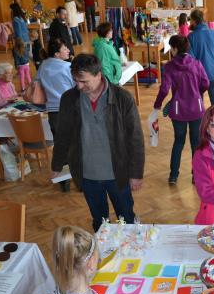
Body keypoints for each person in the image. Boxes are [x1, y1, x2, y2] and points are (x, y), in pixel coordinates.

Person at [51, 54, 145, 232]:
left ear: (98, 75)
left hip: (119, 173)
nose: (79, 86)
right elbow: (63, 135)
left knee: (127, 219)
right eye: (76, 80)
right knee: (100, 223)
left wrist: (136, 173)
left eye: (83, 81)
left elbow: (136, 139)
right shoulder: (69, 99)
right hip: (87, 174)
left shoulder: (122, 98)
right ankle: (102, 257)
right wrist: (56, 164)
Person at [152, 35, 209, 184]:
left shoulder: (170, 66)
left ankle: (173, 176)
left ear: (175, 48)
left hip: (178, 110)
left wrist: (157, 104)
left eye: (171, 48)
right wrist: (197, 94)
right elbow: (206, 83)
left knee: (178, 142)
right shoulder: (197, 64)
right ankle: (196, 175)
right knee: (196, 143)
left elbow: (164, 89)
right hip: (197, 109)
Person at [37, 38, 75, 192]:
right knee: (75, 146)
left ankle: (64, 183)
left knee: (60, 147)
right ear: (57, 53)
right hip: (70, 110)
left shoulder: (43, 66)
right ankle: (80, 182)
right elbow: (77, 86)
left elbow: (37, 84)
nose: (68, 50)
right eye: (65, 48)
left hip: (53, 112)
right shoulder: (68, 66)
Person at [188, 10, 214, 106]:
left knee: (198, 104)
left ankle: (201, 121)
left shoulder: (191, 36)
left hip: (198, 76)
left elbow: (191, 59)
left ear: (194, 21)